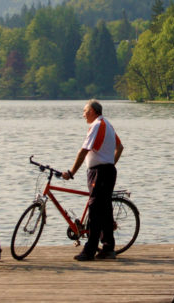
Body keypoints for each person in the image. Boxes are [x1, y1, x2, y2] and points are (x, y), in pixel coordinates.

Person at [62, 99, 124, 261]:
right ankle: (108, 248)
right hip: (107, 171)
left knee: (95, 210)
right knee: (104, 210)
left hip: (99, 173)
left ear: (93, 112)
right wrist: (110, 163)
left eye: (85, 111)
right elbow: (120, 147)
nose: (83, 115)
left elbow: (83, 151)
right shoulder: (107, 124)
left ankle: (89, 251)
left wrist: (71, 171)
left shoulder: (97, 125)